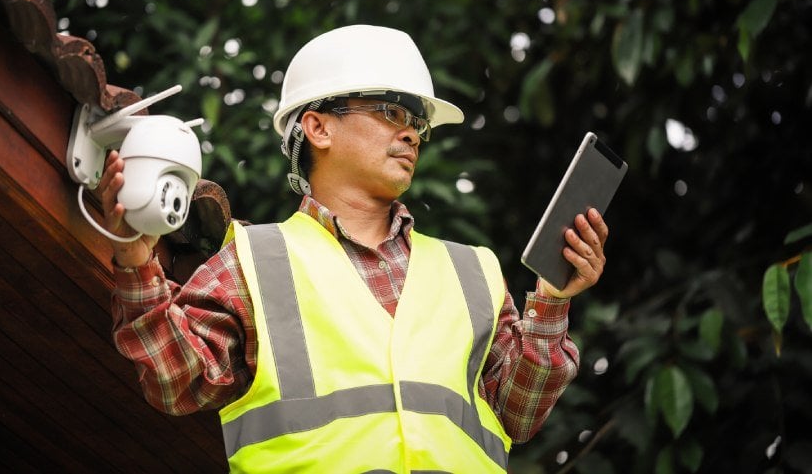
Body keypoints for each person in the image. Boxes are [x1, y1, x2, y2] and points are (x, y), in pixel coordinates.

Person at [101, 25, 609, 473]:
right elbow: (177, 381)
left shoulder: (472, 271)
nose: (412, 134)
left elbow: (518, 414)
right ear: (319, 127)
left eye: (418, 124)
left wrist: (552, 299)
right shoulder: (253, 262)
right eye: (392, 111)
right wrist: (136, 262)